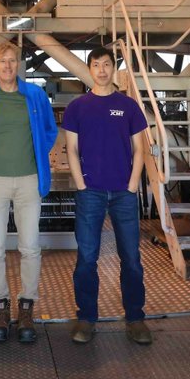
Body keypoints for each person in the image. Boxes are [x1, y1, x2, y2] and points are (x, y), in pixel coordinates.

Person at [62, 46, 153, 345]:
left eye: (106, 64)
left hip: (123, 194)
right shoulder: (77, 107)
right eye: (96, 65)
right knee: (87, 259)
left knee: (131, 258)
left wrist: (132, 185)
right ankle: (87, 318)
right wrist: (81, 185)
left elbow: (140, 149)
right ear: (89, 69)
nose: (101, 70)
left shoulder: (128, 106)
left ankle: (135, 318)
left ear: (114, 68)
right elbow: (71, 149)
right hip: (90, 193)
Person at [0, 41, 58, 344]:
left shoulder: (34, 95)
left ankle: (26, 307)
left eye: (12, 61)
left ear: (19, 64)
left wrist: (35, 154)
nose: (7, 66)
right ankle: (0, 306)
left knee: (30, 246)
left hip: (29, 180)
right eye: (2, 61)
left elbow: (49, 131)